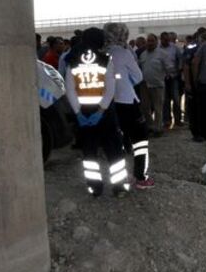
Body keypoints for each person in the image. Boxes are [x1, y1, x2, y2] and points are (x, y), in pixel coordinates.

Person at [65, 27, 130, 197]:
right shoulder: (105, 59)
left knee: (89, 152)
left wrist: (78, 113)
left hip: (84, 113)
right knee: (114, 151)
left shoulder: (71, 60)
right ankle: (119, 188)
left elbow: (70, 90)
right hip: (105, 113)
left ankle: (94, 188)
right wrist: (101, 111)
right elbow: (110, 89)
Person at [104, 22, 154, 190]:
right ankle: (140, 177)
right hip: (126, 102)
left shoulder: (101, 53)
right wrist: (126, 82)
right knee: (140, 140)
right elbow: (138, 76)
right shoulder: (123, 53)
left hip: (108, 103)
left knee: (116, 142)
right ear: (123, 36)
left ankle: (120, 180)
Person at [183, 28, 206, 142]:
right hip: (194, 82)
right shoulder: (192, 47)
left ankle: (204, 132)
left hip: (205, 82)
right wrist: (188, 83)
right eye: (205, 37)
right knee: (194, 109)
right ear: (198, 36)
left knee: (204, 108)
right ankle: (196, 133)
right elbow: (186, 65)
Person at [137, 33, 166, 135]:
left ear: (156, 42)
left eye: (152, 41)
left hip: (157, 85)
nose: (150, 43)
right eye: (148, 41)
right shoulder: (143, 54)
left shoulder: (162, 54)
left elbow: (168, 68)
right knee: (145, 107)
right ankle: (150, 126)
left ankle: (158, 128)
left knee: (158, 108)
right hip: (144, 84)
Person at [160, 32, 184, 128]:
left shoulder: (174, 48)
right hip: (163, 78)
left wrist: (179, 70)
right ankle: (167, 121)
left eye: (168, 39)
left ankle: (177, 120)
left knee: (176, 99)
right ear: (161, 39)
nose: (167, 41)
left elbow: (181, 59)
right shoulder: (158, 49)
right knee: (165, 101)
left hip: (174, 77)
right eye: (165, 40)